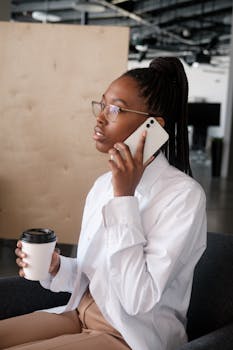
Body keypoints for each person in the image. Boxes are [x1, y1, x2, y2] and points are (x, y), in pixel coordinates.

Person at [0, 56, 206, 350]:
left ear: (152, 127)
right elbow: (97, 277)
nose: (100, 117)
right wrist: (58, 267)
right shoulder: (102, 185)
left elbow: (137, 300)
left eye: (116, 110)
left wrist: (125, 199)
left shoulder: (183, 196)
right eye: (102, 104)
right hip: (78, 315)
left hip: (128, 335)